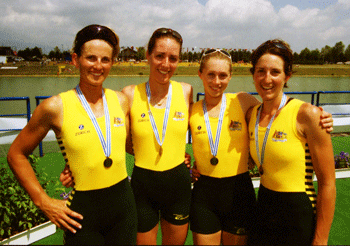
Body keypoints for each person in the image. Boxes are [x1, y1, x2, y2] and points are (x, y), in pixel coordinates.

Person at [7, 24, 137, 245]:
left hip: (124, 210)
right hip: (82, 217)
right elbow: (16, 154)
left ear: (112, 62)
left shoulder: (121, 100)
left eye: (105, 59)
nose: (98, 66)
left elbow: (125, 146)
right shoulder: (54, 107)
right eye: (91, 58)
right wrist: (43, 200)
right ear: (76, 60)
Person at [189, 48, 334, 245]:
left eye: (223, 75)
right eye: (211, 75)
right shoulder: (196, 111)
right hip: (258, 205)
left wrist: (320, 116)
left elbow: (327, 182)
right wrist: (189, 160)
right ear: (200, 74)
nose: (216, 81)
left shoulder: (243, 102)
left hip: (257, 199)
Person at [246, 39, 336, 245]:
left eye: (275, 72)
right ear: (253, 75)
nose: (266, 79)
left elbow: (328, 183)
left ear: (287, 76)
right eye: (261, 71)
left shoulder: (307, 115)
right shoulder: (251, 114)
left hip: (298, 215)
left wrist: (321, 239)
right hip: (264, 209)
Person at [121, 28, 193, 245]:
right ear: (148, 56)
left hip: (178, 186)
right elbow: (121, 141)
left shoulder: (186, 91)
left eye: (173, 58)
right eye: (160, 56)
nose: (166, 64)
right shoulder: (130, 94)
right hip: (144, 187)